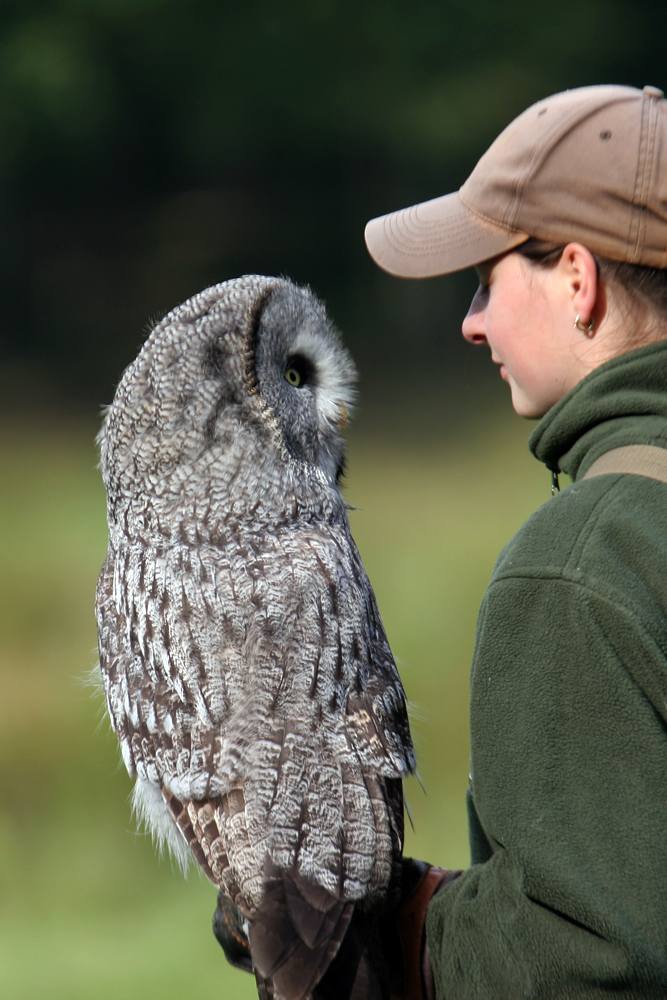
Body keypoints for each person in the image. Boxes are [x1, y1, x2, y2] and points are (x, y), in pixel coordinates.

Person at [364, 84, 667, 998]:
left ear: (577, 280)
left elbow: (592, 961)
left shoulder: (579, 565)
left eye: (485, 280)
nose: (470, 321)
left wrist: (399, 932)